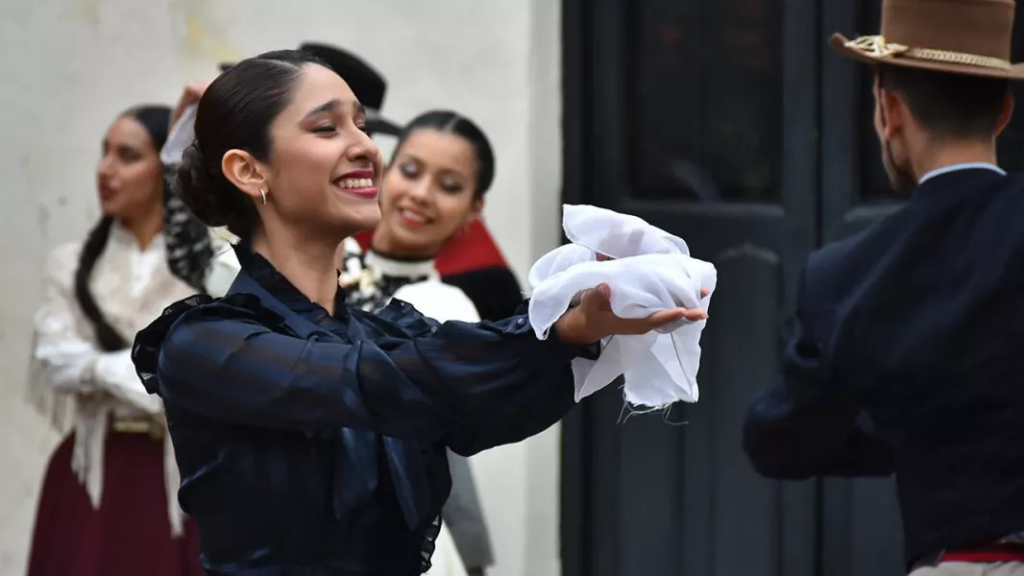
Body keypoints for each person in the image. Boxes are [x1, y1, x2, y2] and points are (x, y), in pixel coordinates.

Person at [130, 49, 706, 576]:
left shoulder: (390, 333)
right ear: (250, 170)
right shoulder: (205, 344)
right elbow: (374, 382)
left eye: (361, 124)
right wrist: (552, 327)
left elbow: (479, 403)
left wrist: (577, 320)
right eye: (327, 128)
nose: (366, 146)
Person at [741, 0, 1024, 574]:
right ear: (1004, 111)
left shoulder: (848, 275)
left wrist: (908, 426)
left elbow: (781, 439)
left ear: (890, 111)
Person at [26, 105, 207, 576]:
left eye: (127, 156)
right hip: (91, 475)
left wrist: (100, 366)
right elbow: (56, 359)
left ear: (167, 170)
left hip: (182, 482)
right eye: (104, 152)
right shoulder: (70, 263)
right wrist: (144, 372)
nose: (105, 169)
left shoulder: (208, 270)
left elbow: (206, 380)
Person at [338, 110, 513, 576]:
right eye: (410, 171)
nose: (421, 194)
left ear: (473, 209)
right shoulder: (325, 258)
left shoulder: (448, 308)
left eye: (449, 186)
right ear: (384, 171)